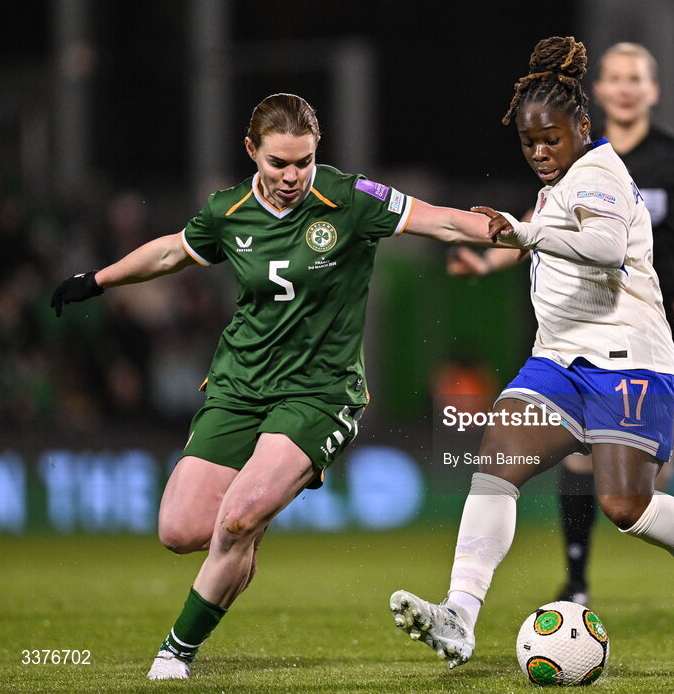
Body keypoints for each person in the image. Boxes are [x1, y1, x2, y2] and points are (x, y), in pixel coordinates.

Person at [50, 93, 509, 680]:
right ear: (252, 152)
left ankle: (175, 653)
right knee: (180, 530)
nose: (292, 176)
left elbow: (442, 220)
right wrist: (96, 280)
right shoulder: (227, 210)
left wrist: (519, 232)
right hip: (239, 385)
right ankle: (250, 530)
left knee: (237, 519)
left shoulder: (349, 198)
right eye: (278, 164)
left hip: (319, 394)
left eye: (303, 162)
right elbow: (171, 252)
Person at [389, 36, 674, 671]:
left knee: (624, 506)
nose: (539, 152)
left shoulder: (600, 173)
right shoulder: (557, 185)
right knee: (496, 461)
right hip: (558, 360)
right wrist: (494, 249)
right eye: (529, 143)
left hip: (630, 360)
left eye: (551, 139)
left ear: (582, 127)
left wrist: (525, 231)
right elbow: (541, 240)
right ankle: (460, 615)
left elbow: (607, 247)